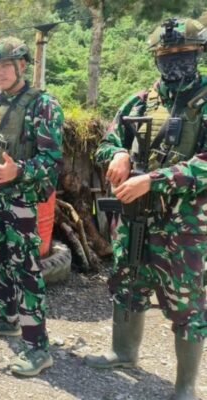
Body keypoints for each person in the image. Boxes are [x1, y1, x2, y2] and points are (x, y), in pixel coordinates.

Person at [85, 18, 207, 400]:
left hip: (184, 223)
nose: (175, 62)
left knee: (186, 300)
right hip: (137, 215)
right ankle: (124, 352)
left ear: (198, 53)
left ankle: (185, 386)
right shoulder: (140, 100)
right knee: (127, 280)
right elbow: (107, 140)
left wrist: (154, 180)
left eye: (183, 54)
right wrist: (119, 152)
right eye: (166, 56)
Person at [0, 37, 64, 377]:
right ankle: (6, 318)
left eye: (5, 66)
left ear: (22, 66)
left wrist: (18, 171)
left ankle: (38, 347)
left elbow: (52, 161)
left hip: (21, 199)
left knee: (25, 269)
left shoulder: (43, 105)